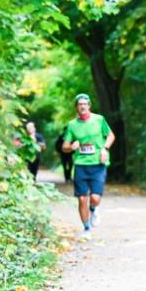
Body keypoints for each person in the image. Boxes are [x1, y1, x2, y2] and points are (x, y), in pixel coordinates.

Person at [61, 93, 115, 239]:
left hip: (98, 164)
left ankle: (93, 209)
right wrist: (72, 146)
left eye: (85, 104)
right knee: (82, 199)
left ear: (89, 106)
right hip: (80, 165)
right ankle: (86, 228)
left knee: (95, 198)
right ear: (76, 107)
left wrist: (105, 148)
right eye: (80, 104)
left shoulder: (99, 120)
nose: (83, 106)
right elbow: (64, 146)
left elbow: (111, 135)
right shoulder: (72, 125)